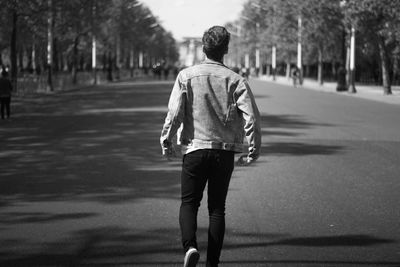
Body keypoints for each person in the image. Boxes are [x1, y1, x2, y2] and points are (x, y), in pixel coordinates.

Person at [160, 26, 261, 267]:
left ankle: (190, 247)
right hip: (223, 153)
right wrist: (253, 150)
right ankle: (212, 263)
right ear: (225, 49)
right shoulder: (237, 80)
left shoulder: (186, 76)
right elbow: (252, 119)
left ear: (203, 47)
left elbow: (174, 113)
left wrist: (167, 141)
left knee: (189, 203)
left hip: (194, 149)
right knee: (217, 209)